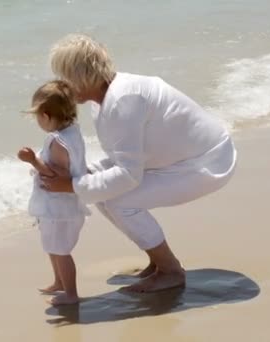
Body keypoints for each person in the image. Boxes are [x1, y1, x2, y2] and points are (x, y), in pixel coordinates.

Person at [40, 34, 237, 293]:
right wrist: (81, 176)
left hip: (207, 162)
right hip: (173, 158)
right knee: (104, 192)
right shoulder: (106, 98)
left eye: (65, 77)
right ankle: (158, 262)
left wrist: (74, 185)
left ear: (81, 75)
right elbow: (123, 157)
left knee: (119, 200)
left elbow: (127, 175)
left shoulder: (123, 99)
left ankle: (170, 270)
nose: (60, 85)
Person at [17, 80, 90, 305]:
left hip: (60, 207)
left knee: (61, 250)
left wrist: (34, 161)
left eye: (37, 117)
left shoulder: (59, 142)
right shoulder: (71, 132)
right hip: (59, 206)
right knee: (52, 247)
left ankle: (71, 294)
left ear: (46, 116)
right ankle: (59, 282)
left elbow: (56, 174)